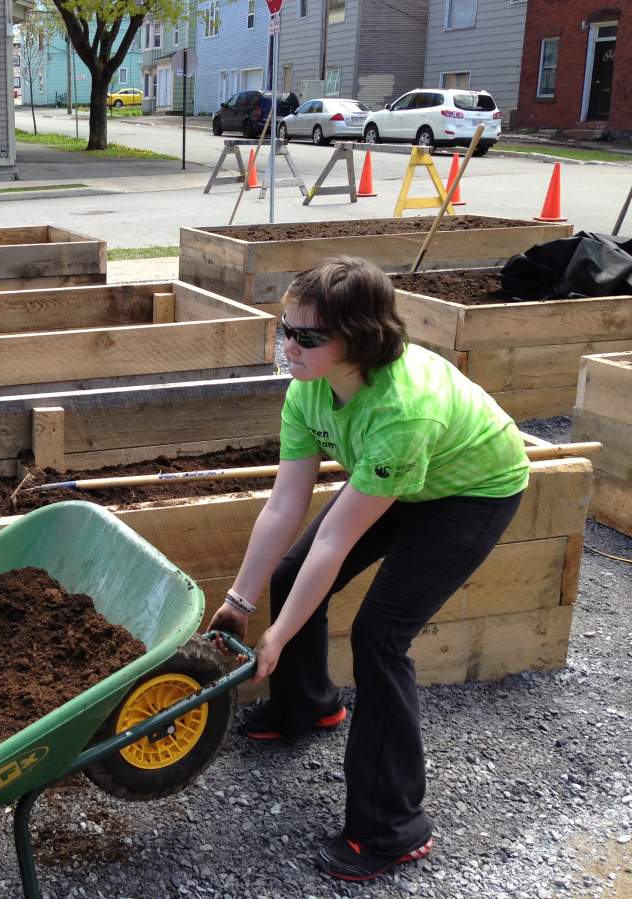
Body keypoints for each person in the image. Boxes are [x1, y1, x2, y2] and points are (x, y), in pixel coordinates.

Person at [209, 257, 529, 882]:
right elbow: (284, 506)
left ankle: (392, 828)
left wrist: (278, 636)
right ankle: (309, 707)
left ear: (358, 338)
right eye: (284, 328)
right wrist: (240, 602)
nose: (288, 346)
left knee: (380, 636)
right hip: (399, 477)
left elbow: (336, 538)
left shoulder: (403, 411)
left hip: (472, 491)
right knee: (288, 576)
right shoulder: (307, 387)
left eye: (307, 336)